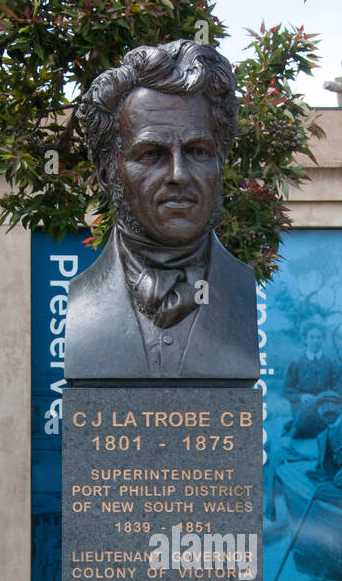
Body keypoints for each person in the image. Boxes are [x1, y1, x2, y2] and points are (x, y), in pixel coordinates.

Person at [66, 40, 259, 381]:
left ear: (221, 163)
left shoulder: (238, 292)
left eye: (198, 152)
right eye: (151, 155)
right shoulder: (85, 303)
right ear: (108, 173)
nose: (178, 175)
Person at [282, 323, 342, 438]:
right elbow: (287, 390)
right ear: (305, 339)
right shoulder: (296, 363)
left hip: (326, 405)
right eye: (312, 337)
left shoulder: (331, 363)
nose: (315, 341)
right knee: (305, 415)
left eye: (318, 337)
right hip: (302, 405)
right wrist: (301, 396)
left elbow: (339, 389)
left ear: (323, 340)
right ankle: (294, 432)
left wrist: (327, 398)